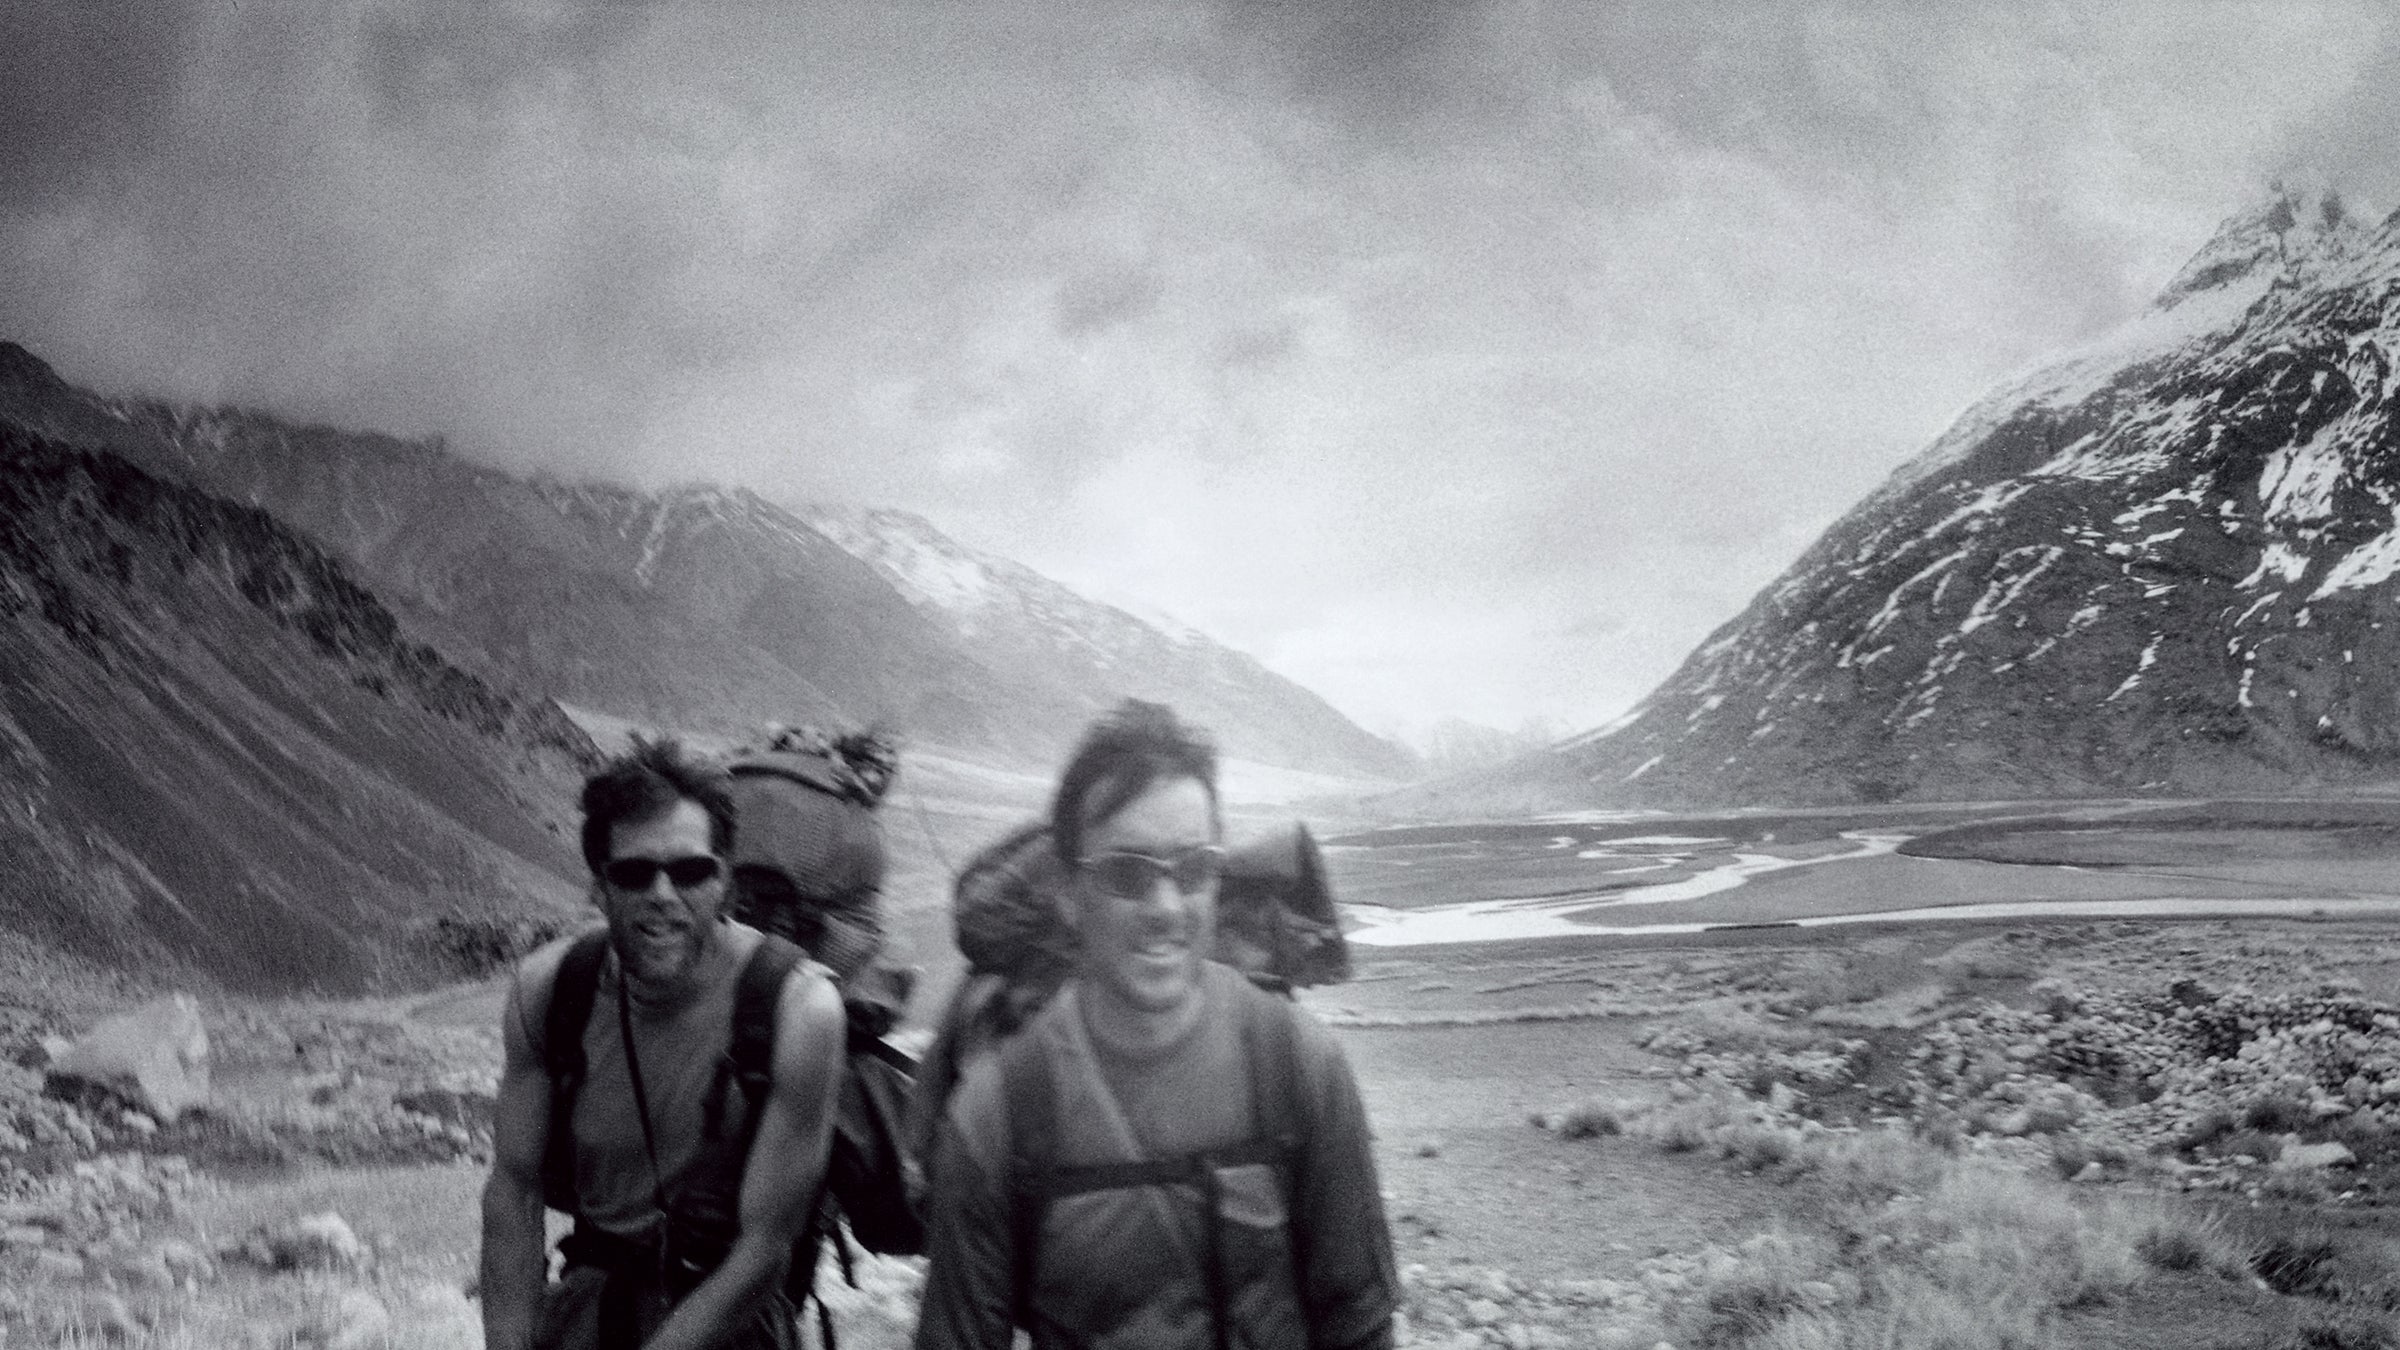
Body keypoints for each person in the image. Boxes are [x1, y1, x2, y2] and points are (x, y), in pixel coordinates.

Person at [913, 701, 1400, 1350]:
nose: (1166, 908)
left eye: (1193, 870)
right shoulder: (998, 1116)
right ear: (1065, 891)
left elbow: (1359, 1325)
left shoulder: (1298, 1065)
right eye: (1126, 874)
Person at [481, 739, 848, 1350]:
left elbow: (764, 1249)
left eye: (690, 871)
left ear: (725, 880)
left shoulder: (798, 1011)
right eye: (633, 873)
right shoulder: (550, 992)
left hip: (730, 1324)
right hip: (591, 1307)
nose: (662, 894)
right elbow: (514, 1192)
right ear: (599, 887)